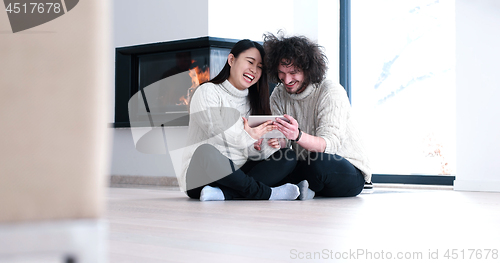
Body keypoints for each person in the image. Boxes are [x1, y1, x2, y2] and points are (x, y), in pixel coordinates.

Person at [180, 39, 300, 201]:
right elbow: (218, 135)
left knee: (288, 156)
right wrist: (249, 135)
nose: (254, 70)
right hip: (202, 177)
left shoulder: (254, 102)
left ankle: (224, 194)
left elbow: (247, 150)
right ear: (231, 60)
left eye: (259, 67)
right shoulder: (207, 91)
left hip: (237, 175)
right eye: (250, 62)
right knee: (205, 151)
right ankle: (266, 193)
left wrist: (266, 146)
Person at [263, 32, 372, 199]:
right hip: (306, 163)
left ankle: (297, 187)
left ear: (308, 69)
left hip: (344, 167)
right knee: (279, 160)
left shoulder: (329, 91)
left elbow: (329, 146)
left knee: (318, 163)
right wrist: (278, 141)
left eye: (294, 72)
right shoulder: (278, 95)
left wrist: (297, 135)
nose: (286, 79)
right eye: (281, 73)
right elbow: (286, 146)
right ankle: (304, 188)